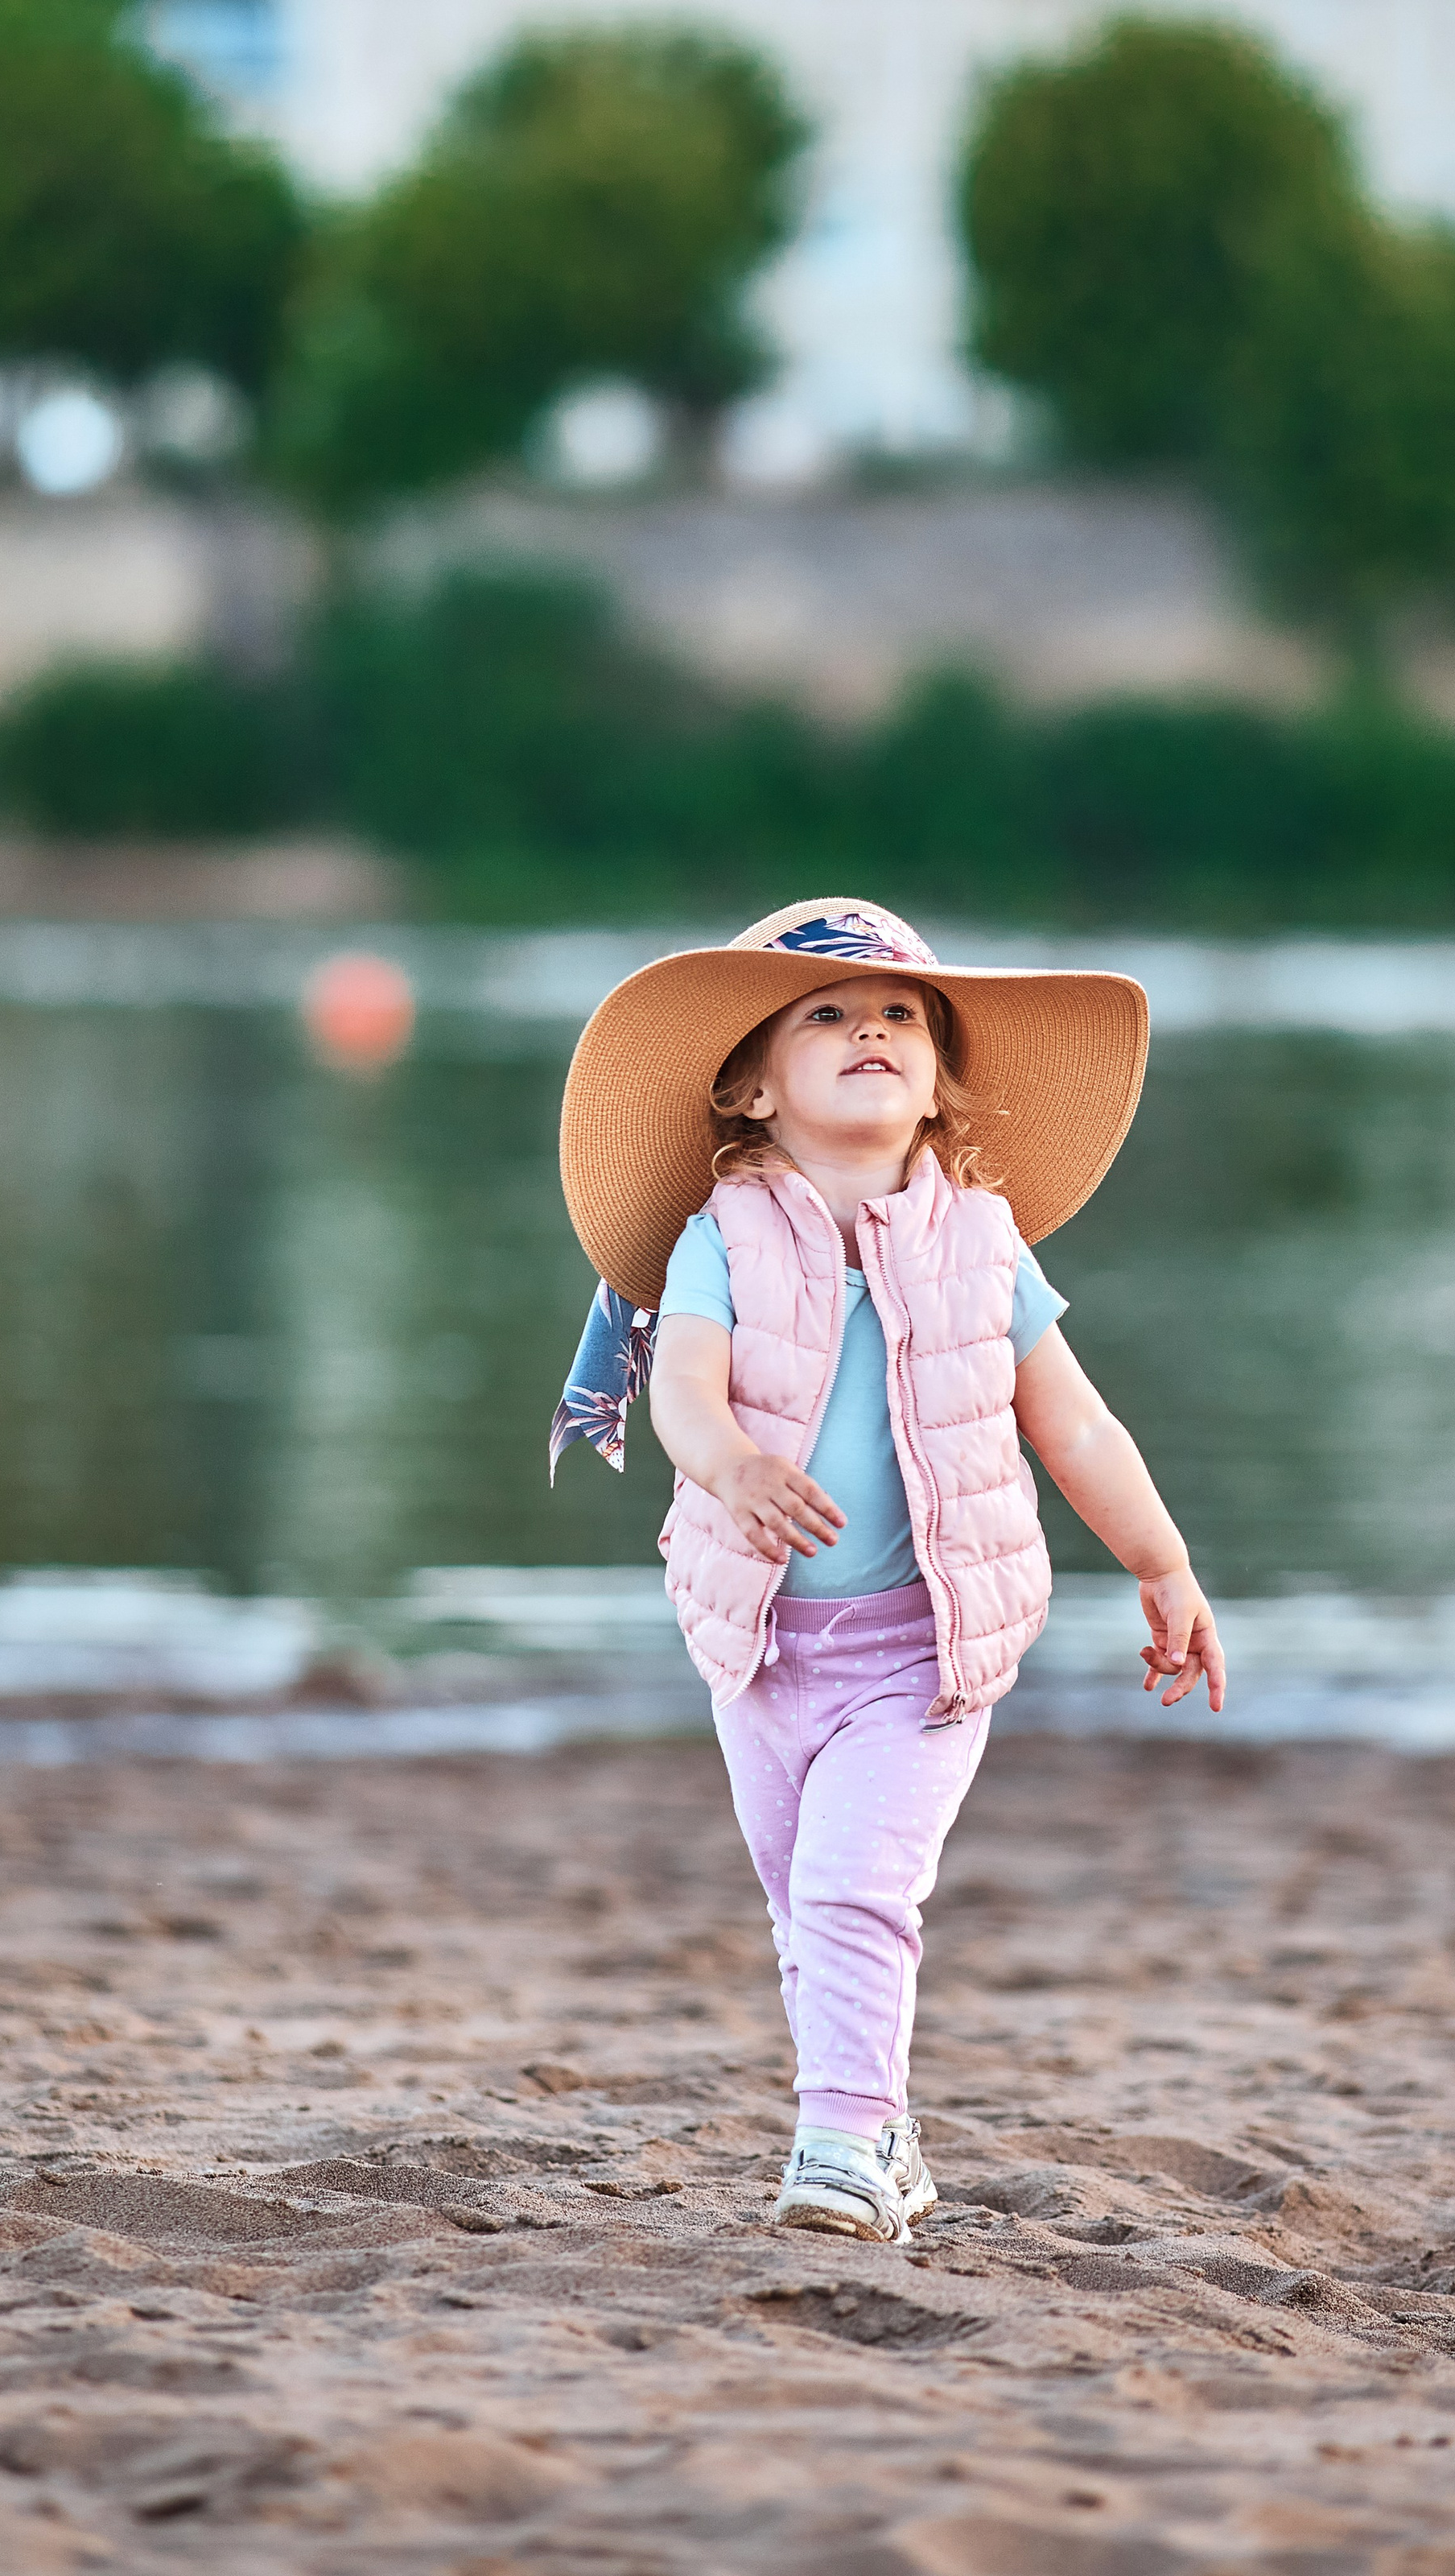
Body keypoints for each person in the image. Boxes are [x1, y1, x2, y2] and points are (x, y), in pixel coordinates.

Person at [551, 898, 1225, 2244]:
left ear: (936, 1081)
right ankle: (884, 2134)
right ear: (754, 1085)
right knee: (804, 1908)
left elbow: (1076, 1425)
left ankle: (842, 2148)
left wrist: (1163, 1562)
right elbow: (683, 1388)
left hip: (924, 1646)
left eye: (902, 1016)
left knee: (857, 1890)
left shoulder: (982, 1240)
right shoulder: (722, 1235)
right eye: (830, 1014)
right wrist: (731, 1464)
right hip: (758, 1646)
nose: (874, 1030)